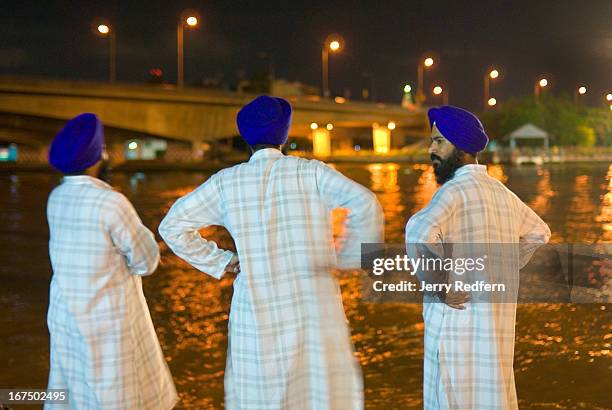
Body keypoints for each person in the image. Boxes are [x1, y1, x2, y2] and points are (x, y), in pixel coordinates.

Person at [159, 96, 384, 410]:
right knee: (320, 393)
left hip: (257, 311)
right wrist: (347, 257)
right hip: (314, 308)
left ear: (245, 139)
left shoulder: (226, 183)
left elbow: (172, 226)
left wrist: (221, 261)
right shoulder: (312, 173)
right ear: (285, 135)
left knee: (261, 395)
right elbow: (365, 202)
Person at [405, 105, 551, 409]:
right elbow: (540, 232)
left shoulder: (452, 192)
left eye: (439, 142)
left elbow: (418, 233)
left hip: (454, 329)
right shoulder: (502, 193)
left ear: (460, 148)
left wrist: (440, 284)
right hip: (495, 330)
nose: (431, 149)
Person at [45, 113, 177, 409]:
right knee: (115, 393)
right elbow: (146, 260)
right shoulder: (110, 202)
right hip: (107, 318)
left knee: (75, 389)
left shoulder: (56, 197)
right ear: (97, 158)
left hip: (66, 312)